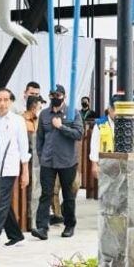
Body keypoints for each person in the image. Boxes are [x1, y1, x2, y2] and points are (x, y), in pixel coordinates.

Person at [31, 84, 84, 240]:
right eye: (52, 96)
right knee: (45, 194)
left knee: (68, 195)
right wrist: (41, 155)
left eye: (58, 96)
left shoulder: (72, 113)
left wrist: (61, 127)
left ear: (64, 97)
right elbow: (40, 136)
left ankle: (69, 225)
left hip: (67, 161)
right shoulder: (44, 114)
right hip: (48, 161)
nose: (55, 99)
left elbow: (79, 134)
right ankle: (42, 227)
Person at [0, 88, 30, 253]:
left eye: (5, 100)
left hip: (9, 168)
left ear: (10, 101)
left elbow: (24, 146)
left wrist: (25, 171)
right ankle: (16, 235)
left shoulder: (17, 121)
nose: (2, 103)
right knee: (3, 203)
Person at [89, 106, 116, 178]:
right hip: (104, 162)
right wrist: (94, 164)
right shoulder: (100, 124)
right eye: (114, 109)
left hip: (119, 162)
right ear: (109, 109)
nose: (116, 112)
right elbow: (94, 145)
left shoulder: (124, 123)